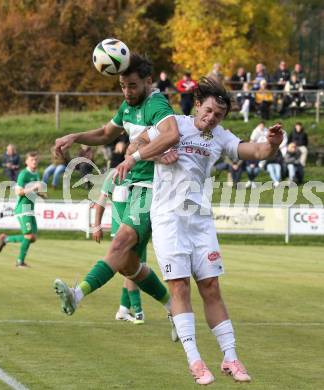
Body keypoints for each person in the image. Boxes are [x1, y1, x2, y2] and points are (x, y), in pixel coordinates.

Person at [115, 77, 283, 385]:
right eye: (207, 112)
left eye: (217, 115)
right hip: (168, 219)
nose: (210, 118)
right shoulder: (174, 124)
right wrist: (156, 153)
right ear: (197, 105)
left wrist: (273, 144)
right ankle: (195, 362)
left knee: (211, 288)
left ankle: (230, 357)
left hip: (200, 221)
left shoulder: (220, 136)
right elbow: (135, 144)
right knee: (179, 287)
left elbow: (257, 152)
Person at [52, 53, 179, 341]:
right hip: (130, 186)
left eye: (132, 85)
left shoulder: (156, 103)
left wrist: (134, 157)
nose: (127, 92)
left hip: (152, 187)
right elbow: (105, 133)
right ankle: (174, 307)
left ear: (148, 81)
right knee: (127, 264)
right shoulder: (127, 106)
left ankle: (77, 294)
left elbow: (171, 133)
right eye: (122, 86)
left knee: (120, 244)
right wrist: (74, 136)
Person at [92, 169, 145, 324]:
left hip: (138, 229)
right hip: (123, 231)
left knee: (134, 268)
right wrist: (96, 225)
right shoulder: (116, 174)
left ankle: (123, 310)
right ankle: (138, 309)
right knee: (134, 269)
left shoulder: (145, 174)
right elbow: (101, 200)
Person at [0, 152, 45, 267]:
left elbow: (36, 191)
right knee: (28, 236)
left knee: (32, 238)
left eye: (36, 159)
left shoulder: (37, 174)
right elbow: (19, 192)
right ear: (26, 162)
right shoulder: (23, 174)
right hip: (23, 208)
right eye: (32, 160)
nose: (34, 161)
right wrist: (33, 187)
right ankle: (20, 262)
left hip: (30, 209)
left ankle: (6, 239)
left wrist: (42, 193)